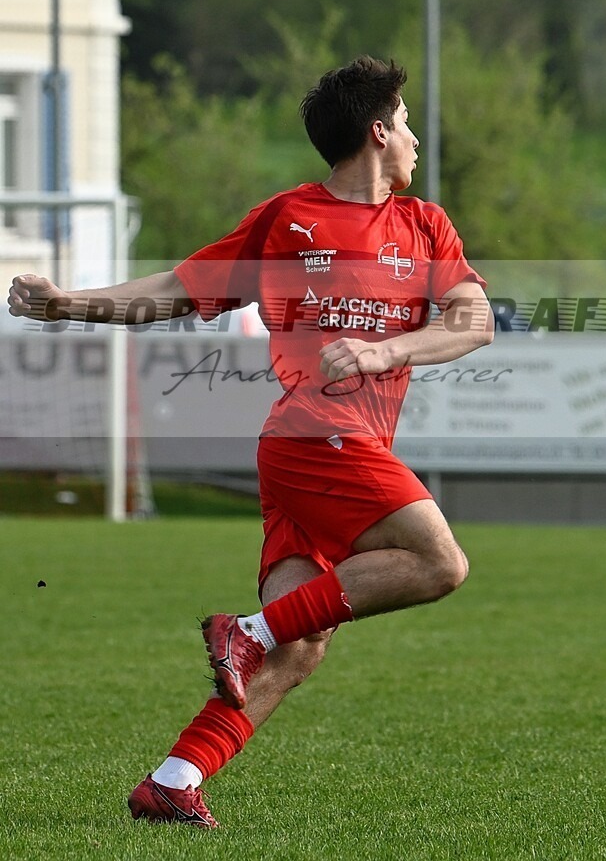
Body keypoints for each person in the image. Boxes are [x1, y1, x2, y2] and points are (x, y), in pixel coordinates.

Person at [7, 56, 493, 828]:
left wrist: (386, 350)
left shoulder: (423, 224)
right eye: (402, 123)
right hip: (311, 434)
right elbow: (176, 289)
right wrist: (70, 305)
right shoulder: (289, 220)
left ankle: (172, 780)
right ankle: (246, 630)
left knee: (301, 648)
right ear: (376, 131)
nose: (412, 139)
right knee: (440, 563)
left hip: (325, 451)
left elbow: (474, 321)